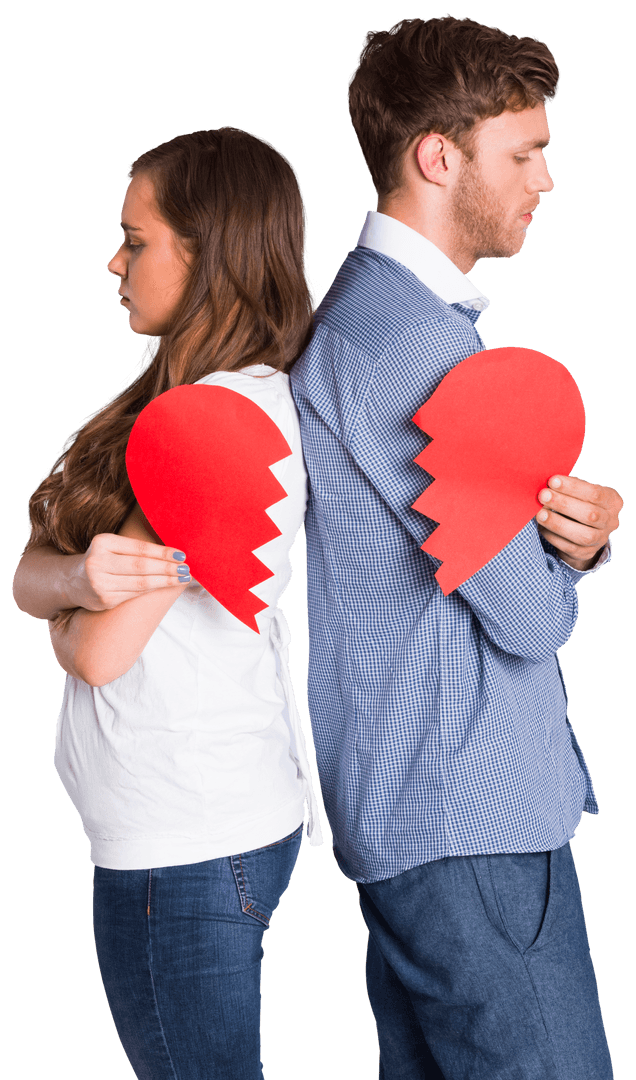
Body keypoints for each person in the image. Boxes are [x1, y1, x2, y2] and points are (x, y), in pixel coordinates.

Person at [290, 16, 622, 1079]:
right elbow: (526, 617)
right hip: (472, 820)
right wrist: (566, 568)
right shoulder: (415, 343)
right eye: (524, 153)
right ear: (439, 157)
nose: (546, 180)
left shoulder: (368, 319)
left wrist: (570, 541)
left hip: (427, 818)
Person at [13, 126, 322, 1080]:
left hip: (183, 850)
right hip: (197, 830)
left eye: (136, 240)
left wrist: (65, 613)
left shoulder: (214, 425)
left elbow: (98, 651)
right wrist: (70, 586)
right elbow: (31, 572)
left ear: (208, 252)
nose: (113, 261)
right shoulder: (177, 400)